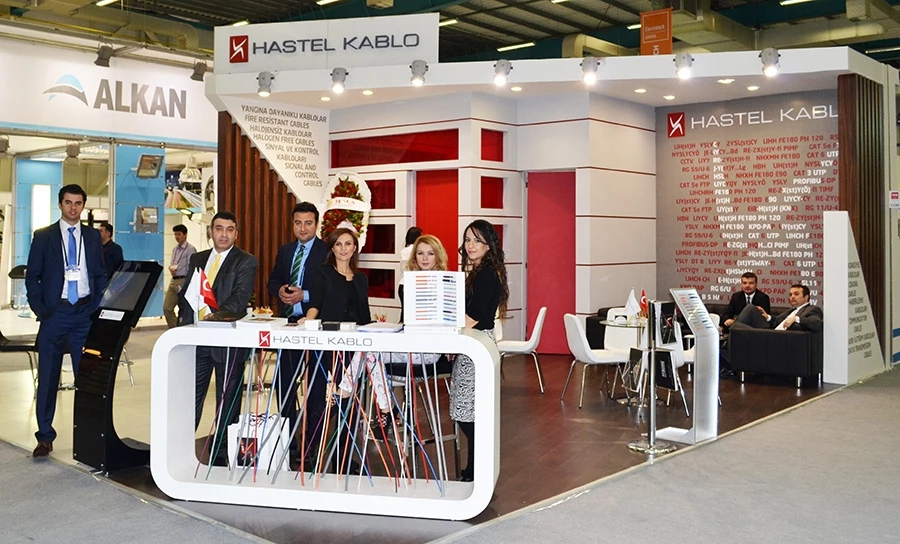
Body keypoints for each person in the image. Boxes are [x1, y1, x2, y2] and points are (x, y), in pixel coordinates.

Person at [26, 184, 107, 458]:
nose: (73, 208)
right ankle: (44, 437)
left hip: (84, 314)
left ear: (83, 205)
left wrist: (95, 306)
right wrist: (41, 310)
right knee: (48, 378)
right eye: (68, 202)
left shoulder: (92, 236)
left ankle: (89, 437)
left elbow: (99, 274)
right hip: (55, 315)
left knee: (89, 378)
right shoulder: (44, 236)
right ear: (60, 204)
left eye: (78, 203)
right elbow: (32, 276)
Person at [177, 211, 257, 464]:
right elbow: (187, 294)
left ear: (236, 233)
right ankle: (179, 449)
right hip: (197, 341)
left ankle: (221, 455)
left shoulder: (246, 261)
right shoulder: (198, 258)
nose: (224, 234)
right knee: (190, 398)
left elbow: (239, 299)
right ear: (211, 231)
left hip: (227, 342)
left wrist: (213, 318)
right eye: (219, 228)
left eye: (229, 229)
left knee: (227, 402)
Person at [303, 227, 372, 474]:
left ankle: (343, 458)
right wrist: (308, 320)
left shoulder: (361, 278)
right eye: (338, 244)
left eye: (348, 244)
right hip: (327, 347)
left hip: (354, 350)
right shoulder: (322, 273)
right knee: (319, 402)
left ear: (355, 248)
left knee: (350, 405)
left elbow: (364, 314)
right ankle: (311, 453)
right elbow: (316, 304)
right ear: (332, 248)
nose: (343, 249)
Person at [266, 202, 328, 461]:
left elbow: (331, 288)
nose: (303, 228)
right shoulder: (285, 250)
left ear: (317, 224)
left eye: (308, 223)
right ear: (292, 224)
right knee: (286, 385)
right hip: (288, 325)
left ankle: (312, 444)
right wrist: (279, 290)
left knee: (315, 388)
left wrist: (306, 295)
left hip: (315, 325)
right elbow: (272, 281)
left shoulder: (327, 251)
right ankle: (288, 440)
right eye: (298, 223)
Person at [451, 220, 508, 482]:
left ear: (488, 246)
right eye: (467, 240)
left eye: (477, 240)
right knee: (469, 413)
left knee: (467, 414)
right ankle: (476, 468)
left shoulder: (486, 273)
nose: (470, 245)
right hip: (474, 346)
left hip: (476, 347)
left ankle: (477, 469)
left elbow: (472, 317)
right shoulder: (481, 271)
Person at [730, 283, 823, 333]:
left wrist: (796, 318)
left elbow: (817, 324)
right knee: (740, 324)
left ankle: (728, 353)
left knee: (737, 326)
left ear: (806, 297)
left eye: (796, 294)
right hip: (772, 332)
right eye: (790, 295)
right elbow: (777, 321)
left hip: (778, 337)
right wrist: (767, 317)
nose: (792, 297)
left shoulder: (812, 309)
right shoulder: (792, 310)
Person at [163, 224, 196, 328]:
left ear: (185, 235)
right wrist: (170, 268)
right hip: (174, 279)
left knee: (183, 307)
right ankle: (174, 329)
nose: (177, 237)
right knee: (167, 308)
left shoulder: (190, 249)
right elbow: (173, 263)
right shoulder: (175, 249)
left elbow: (191, 267)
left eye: (179, 234)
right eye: (175, 234)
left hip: (183, 280)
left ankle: (181, 329)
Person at [397, 226, 422, 322]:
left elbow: (402, 270)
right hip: (413, 284)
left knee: (404, 313)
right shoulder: (416, 251)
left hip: (402, 284)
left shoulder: (403, 251)